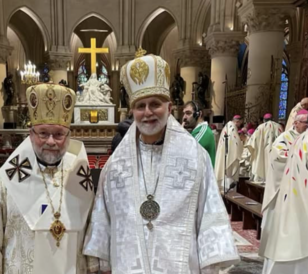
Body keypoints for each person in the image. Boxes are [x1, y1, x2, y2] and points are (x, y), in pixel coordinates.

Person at [83, 50, 239, 273]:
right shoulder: (116, 165)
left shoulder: (195, 158)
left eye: (155, 104)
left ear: (169, 107)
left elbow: (209, 213)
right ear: (132, 111)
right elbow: (103, 218)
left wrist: (210, 264)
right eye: (140, 106)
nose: (148, 113)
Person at [0, 83, 95, 274]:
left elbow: (91, 231)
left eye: (58, 134)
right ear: (31, 134)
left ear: (68, 136)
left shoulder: (79, 175)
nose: (51, 141)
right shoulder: (9, 178)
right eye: (43, 133)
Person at [259, 110, 308, 273]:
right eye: (305, 122)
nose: (307, 126)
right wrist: (295, 158)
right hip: (282, 189)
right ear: (296, 122)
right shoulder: (284, 138)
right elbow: (277, 156)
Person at [245, 113, 283, 182]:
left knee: (261, 165)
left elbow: (252, 142)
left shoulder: (260, 127)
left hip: (261, 154)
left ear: (264, 120)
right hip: (275, 153)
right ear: (273, 119)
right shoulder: (278, 127)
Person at [214, 115, 244, 192]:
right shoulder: (232, 129)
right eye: (240, 123)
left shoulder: (227, 127)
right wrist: (241, 143)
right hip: (230, 158)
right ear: (237, 121)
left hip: (225, 155)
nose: (240, 125)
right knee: (229, 176)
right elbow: (235, 145)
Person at [182, 101, 216, 167]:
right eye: (184, 114)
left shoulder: (203, 131)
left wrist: (179, 132)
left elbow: (184, 153)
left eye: (188, 113)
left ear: (199, 114)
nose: (184, 118)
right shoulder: (196, 131)